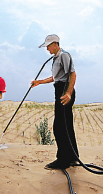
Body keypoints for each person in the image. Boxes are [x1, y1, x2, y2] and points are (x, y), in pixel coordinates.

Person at [31, 34, 79, 170]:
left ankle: (63, 160)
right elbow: (55, 77)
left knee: (59, 127)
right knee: (66, 125)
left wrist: (68, 93)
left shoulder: (64, 55)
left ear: (55, 44)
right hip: (60, 89)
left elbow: (72, 74)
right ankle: (73, 157)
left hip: (65, 90)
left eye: (48, 46)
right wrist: (39, 82)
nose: (47, 49)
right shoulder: (56, 58)